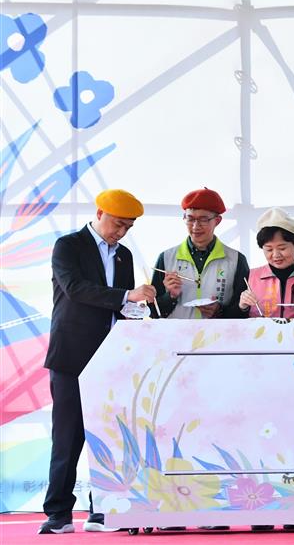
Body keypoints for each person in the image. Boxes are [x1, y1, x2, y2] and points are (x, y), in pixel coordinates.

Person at [39, 190, 156, 534]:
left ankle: (103, 509)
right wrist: (127, 295)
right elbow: (75, 289)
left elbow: (121, 306)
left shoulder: (124, 256)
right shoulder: (68, 246)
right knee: (68, 434)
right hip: (71, 354)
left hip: (111, 356)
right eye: (118, 224)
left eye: (128, 227)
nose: (121, 232)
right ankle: (58, 513)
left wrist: (142, 305)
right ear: (100, 213)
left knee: (109, 435)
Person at [150, 188, 249, 319]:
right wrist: (171, 296)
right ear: (184, 218)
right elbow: (152, 313)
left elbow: (244, 312)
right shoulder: (166, 257)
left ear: (217, 221)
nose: (196, 226)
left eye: (203, 219)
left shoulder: (236, 260)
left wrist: (219, 311)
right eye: (190, 219)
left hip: (218, 332)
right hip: (177, 332)